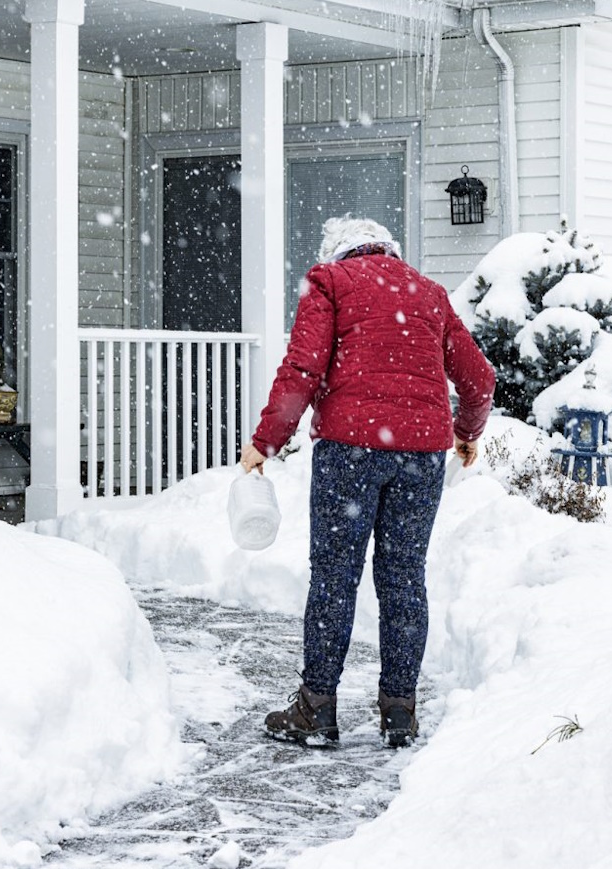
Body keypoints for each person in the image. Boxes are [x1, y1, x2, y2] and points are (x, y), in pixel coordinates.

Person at [239, 217, 495, 748]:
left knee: (335, 575)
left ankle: (317, 709)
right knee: (404, 576)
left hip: (349, 451)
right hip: (421, 456)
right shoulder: (428, 294)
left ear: (338, 253)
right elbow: (479, 379)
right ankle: (399, 711)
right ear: (389, 251)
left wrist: (267, 440)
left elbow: (304, 368)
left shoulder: (330, 281)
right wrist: (467, 431)